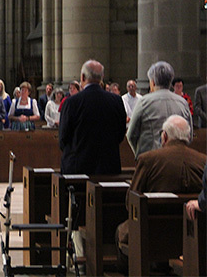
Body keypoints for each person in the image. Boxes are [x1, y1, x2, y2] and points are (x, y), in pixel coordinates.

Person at [117, 115, 206, 273]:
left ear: (164, 136)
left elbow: (131, 202)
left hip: (150, 235)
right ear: (188, 137)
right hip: (193, 235)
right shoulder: (203, 161)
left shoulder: (149, 159)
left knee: (121, 232)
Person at [59, 60, 126, 175]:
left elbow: (63, 138)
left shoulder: (72, 102)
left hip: (78, 168)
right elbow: (120, 134)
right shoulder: (116, 101)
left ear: (83, 77)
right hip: (108, 168)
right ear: (102, 77)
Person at [127, 61, 192, 159]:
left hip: (151, 159)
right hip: (177, 159)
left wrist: (140, 154)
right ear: (170, 81)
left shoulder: (144, 102)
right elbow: (189, 134)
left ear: (152, 82)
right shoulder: (183, 103)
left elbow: (131, 134)